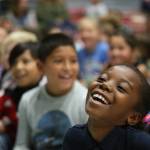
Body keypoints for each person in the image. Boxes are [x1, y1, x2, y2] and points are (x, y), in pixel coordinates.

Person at [14, 33, 88, 150]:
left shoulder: (87, 101)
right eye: (59, 61)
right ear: (40, 66)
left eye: (73, 61)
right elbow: (21, 144)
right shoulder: (28, 99)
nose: (68, 68)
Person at [63, 64, 150, 150]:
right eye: (101, 79)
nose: (105, 85)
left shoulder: (142, 145)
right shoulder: (74, 136)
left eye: (120, 88)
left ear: (133, 117)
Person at [7, 42, 44, 109]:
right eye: (13, 63)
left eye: (25, 61)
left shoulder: (50, 95)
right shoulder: (8, 97)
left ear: (41, 65)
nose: (18, 67)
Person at [77, 17, 109, 87]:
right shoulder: (79, 53)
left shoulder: (106, 50)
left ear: (99, 33)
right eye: (82, 31)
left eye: (89, 31)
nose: (85, 35)